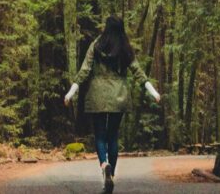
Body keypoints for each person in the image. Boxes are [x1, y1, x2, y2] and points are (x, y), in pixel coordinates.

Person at [64, 15, 161, 192]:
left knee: (100, 136)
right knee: (113, 136)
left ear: (107, 28)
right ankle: (112, 174)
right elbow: (137, 71)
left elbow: (85, 70)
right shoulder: (125, 48)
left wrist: (71, 91)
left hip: (98, 94)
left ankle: (104, 165)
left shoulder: (96, 44)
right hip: (119, 95)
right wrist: (153, 91)